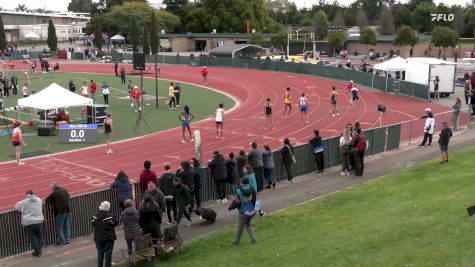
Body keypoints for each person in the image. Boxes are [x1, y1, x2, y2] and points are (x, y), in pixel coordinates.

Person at [16, 190, 44, 257]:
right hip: (39, 221)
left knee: (33, 238)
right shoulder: (39, 200)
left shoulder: (24, 202)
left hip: (29, 222)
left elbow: (17, 206)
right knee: (39, 237)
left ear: (27, 195)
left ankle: (37, 252)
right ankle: (39, 250)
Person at [230, 177, 256, 245]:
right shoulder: (251, 189)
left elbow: (236, 201)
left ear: (243, 182)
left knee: (240, 226)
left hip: (242, 211)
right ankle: (253, 239)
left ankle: (236, 241)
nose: (239, 182)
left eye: (241, 181)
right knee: (248, 225)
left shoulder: (238, 190)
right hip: (250, 210)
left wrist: (230, 207)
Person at [45, 182, 71, 247]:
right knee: (66, 227)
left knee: (59, 228)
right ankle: (67, 241)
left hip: (60, 212)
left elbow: (47, 200)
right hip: (67, 211)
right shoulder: (64, 190)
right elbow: (68, 196)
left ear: (53, 187)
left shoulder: (54, 193)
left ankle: (63, 242)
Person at [92, 201, 117, 267]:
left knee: (100, 254)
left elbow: (93, 224)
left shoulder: (95, 216)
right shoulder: (111, 216)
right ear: (108, 208)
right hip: (108, 238)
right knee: (108, 255)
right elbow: (115, 224)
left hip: (98, 238)